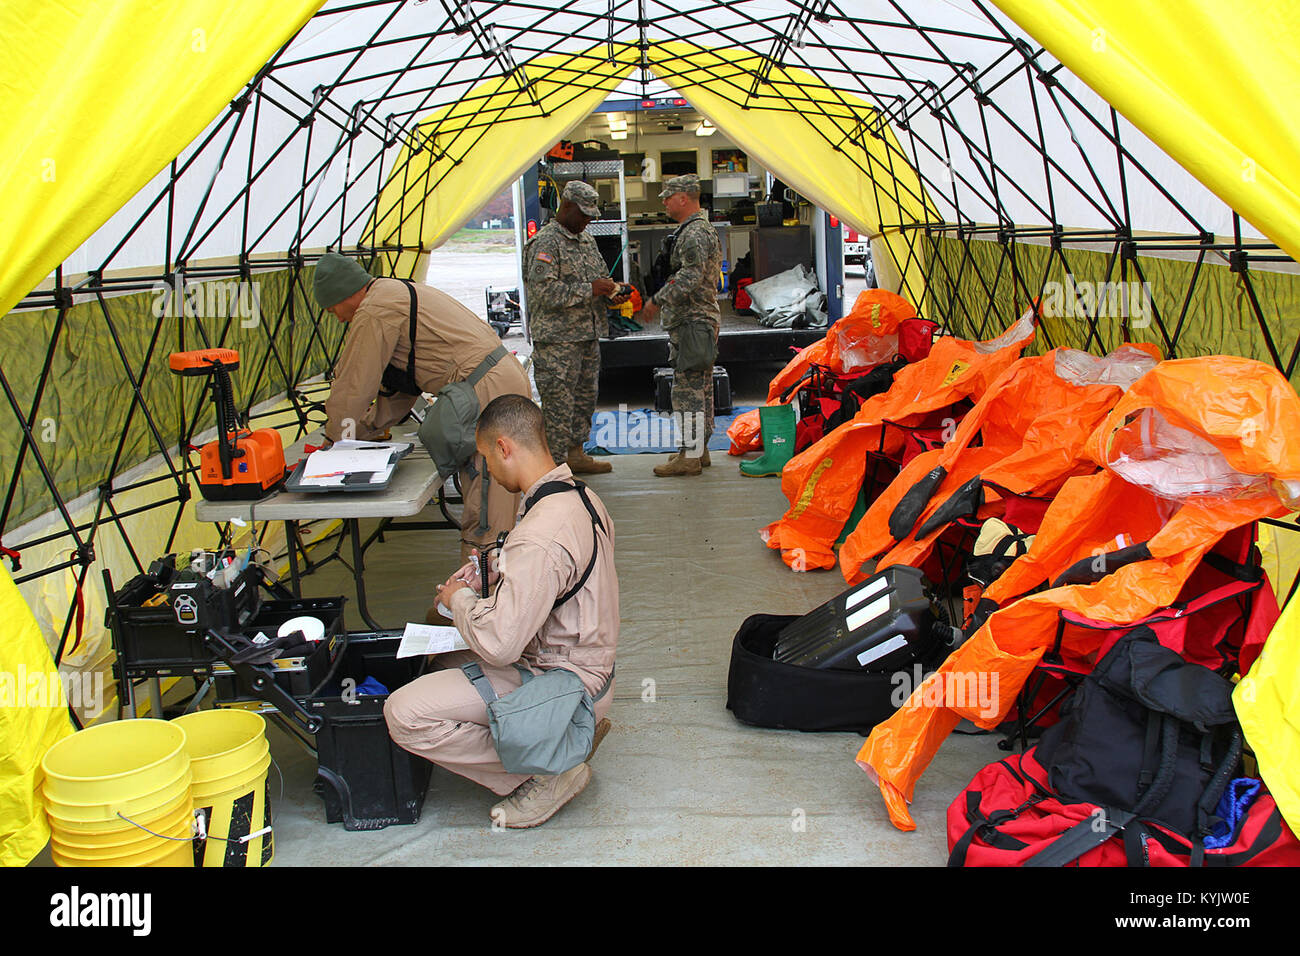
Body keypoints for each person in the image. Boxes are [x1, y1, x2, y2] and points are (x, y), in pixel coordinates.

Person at [383, 394, 618, 828]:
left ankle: (548, 769)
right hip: (588, 669)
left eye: (487, 459)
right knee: (439, 661)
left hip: (565, 686)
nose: (487, 470)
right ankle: (557, 742)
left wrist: (460, 601)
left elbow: (500, 643)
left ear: (505, 447)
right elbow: (554, 576)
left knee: (403, 714)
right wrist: (490, 568)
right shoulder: (578, 497)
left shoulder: (541, 534)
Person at [313, 252, 531, 563]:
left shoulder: (374, 311)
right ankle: (484, 589)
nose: (336, 316)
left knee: (487, 498)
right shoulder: (393, 293)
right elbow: (402, 386)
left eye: (333, 307)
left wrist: (337, 438)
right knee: (490, 491)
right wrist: (367, 429)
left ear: (345, 292)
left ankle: (479, 597)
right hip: (496, 379)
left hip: (486, 388)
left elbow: (353, 387)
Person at [523, 180, 628, 475]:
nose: (587, 222)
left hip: (587, 337)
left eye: (591, 217)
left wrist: (613, 291)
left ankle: (575, 454)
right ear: (566, 206)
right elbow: (542, 293)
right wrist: (590, 289)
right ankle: (552, 468)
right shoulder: (546, 243)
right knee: (558, 408)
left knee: (584, 402)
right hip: (557, 343)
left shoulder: (586, 241)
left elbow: (599, 280)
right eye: (583, 215)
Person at [634, 173, 723, 477]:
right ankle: (699, 451)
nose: (664, 202)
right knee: (702, 387)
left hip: (692, 321)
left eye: (668, 197)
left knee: (688, 390)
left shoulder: (694, 233)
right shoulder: (697, 229)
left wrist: (657, 300)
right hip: (697, 321)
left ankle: (691, 455)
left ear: (683, 198)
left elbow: (690, 276)